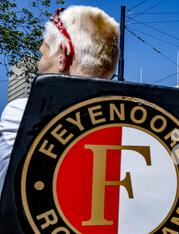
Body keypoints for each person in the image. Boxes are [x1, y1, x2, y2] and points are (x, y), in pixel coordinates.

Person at [0, 6, 119, 196]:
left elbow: (8, 199)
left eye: (43, 54)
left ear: (63, 55)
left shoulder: (21, 113)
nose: (40, 63)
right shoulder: (133, 125)